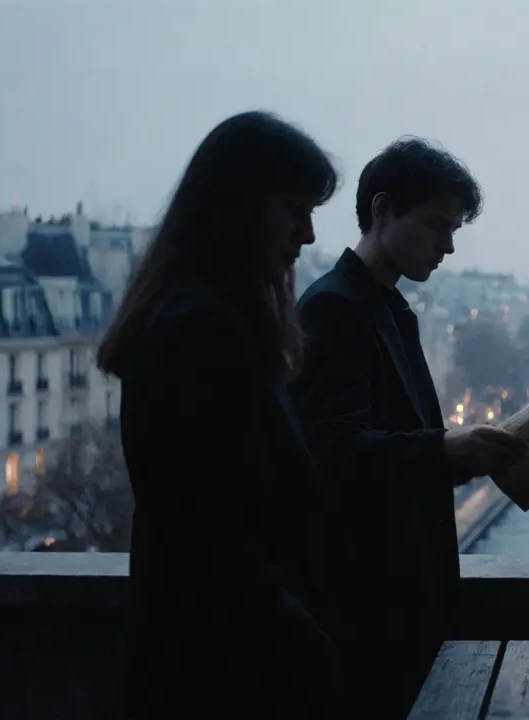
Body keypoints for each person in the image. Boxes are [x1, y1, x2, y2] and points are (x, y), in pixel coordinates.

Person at [96, 111, 344, 718]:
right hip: (227, 676)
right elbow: (214, 535)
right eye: (293, 208)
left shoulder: (194, 318)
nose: (308, 235)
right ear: (238, 208)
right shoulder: (206, 332)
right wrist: (306, 645)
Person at [289, 138, 527, 716]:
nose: (447, 246)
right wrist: (446, 449)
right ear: (381, 209)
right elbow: (329, 451)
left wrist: (453, 450)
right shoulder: (334, 309)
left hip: (395, 601)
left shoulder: (385, 307)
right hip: (367, 611)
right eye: (436, 225)